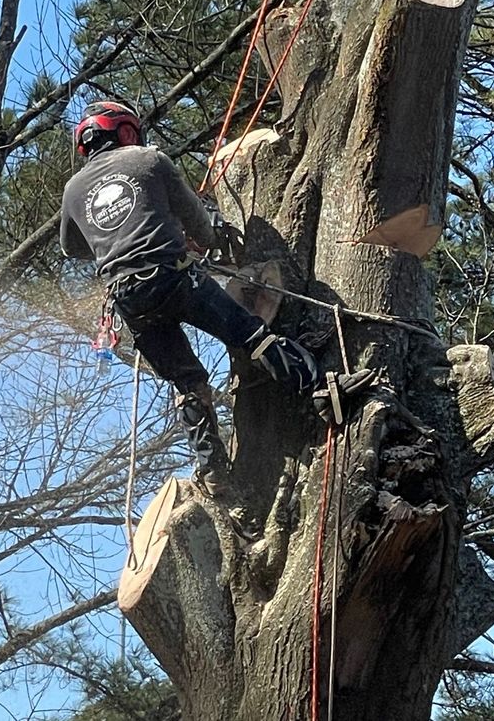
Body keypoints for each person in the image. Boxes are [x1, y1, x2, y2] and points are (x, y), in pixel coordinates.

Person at [60, 100, 371, 494]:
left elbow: (72, 247)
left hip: (128, 299)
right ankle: (320, 390)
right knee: (250, 333)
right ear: (125, 131)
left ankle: (213, 472)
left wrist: (112, 237)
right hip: (172, 277)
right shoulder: (149, 160)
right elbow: (201, 227)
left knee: (188, 382)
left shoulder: (73, 190)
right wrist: (194, 236)